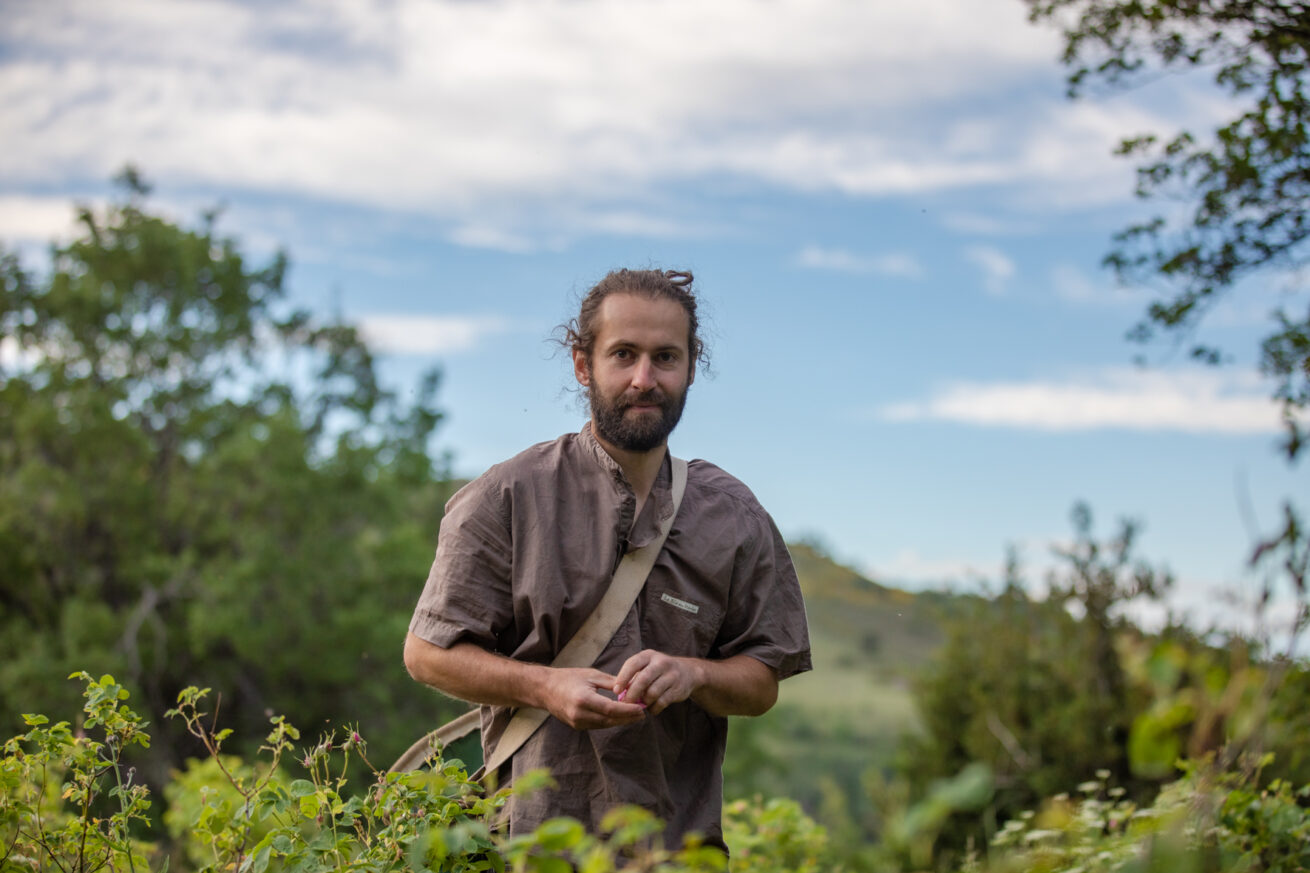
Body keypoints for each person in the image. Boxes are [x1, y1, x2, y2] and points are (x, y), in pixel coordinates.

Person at [403, 268, 811, 852]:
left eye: (665, 357)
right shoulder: (508, 496)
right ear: (582, 364)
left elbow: (762, 682)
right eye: (624, 354)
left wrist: (693, 674)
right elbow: (426, 655)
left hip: (677, 851)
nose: (644, 378)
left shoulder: (735, 517)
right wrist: (544, 687)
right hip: (531, 848)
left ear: (691, 367)